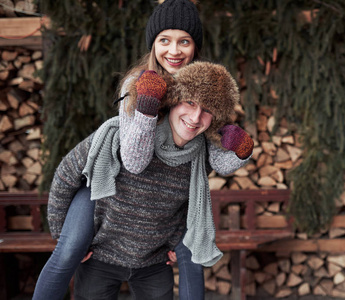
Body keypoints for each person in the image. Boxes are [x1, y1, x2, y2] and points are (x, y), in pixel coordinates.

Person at [32, 1, 254, 299]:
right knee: (68, 250)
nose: (174, 51)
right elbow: (134, 161)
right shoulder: (137, 83)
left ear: (195, 47)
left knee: (191, 250)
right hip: (108, 177)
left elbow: (211, 157)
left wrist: (240, 148)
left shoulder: (203, 90)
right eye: (165, 40)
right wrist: (148, 106)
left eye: (184, 42)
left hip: (162, 204)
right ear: (153, 44)